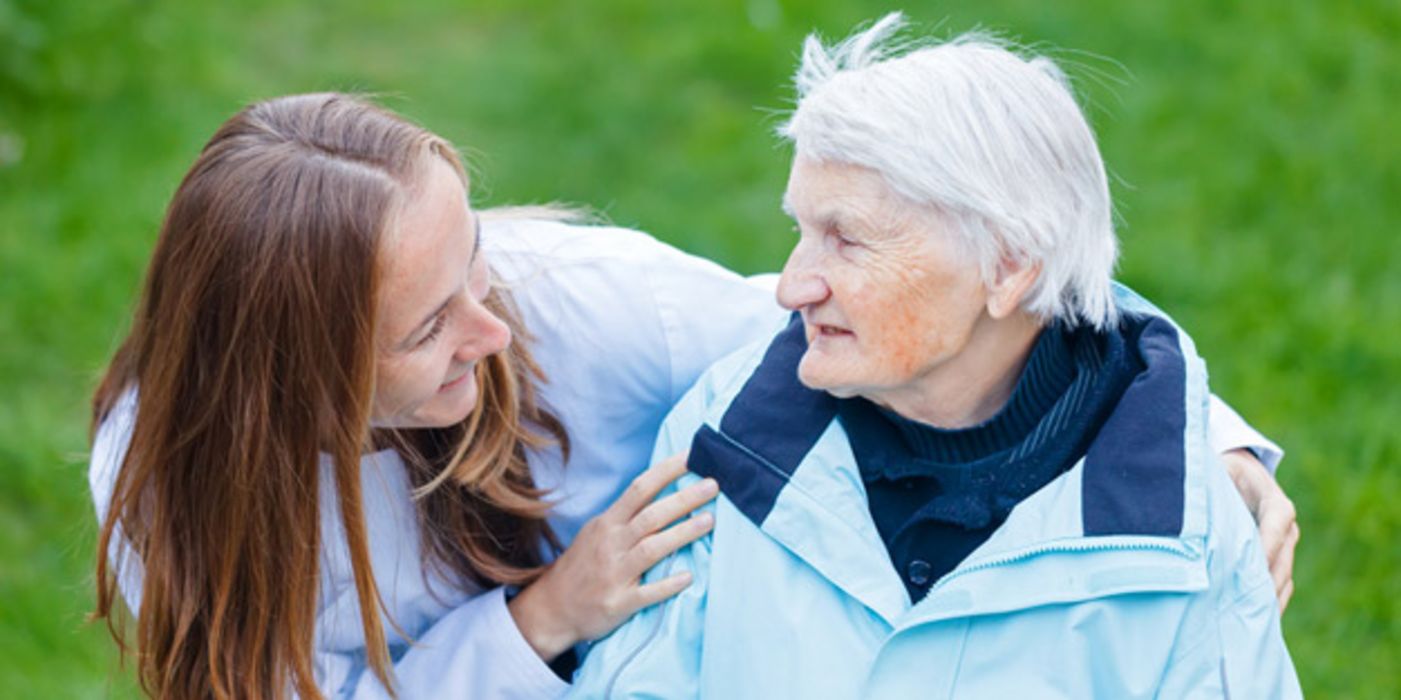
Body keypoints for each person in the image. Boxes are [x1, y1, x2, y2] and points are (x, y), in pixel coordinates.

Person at [88, 93, 1288, 699]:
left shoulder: (587, 301)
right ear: (294, 377)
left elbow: (935, 311)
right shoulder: (166, 492)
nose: (493, 327)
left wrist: (1209, 448)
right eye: (427, 326)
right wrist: (540, 619)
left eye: (478, 266)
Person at [570, 14, 1301, 698]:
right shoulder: (720, 436)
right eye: (798, 229)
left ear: (1009, 267)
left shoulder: (1189, 544)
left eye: (846, 238)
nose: (791, 286)